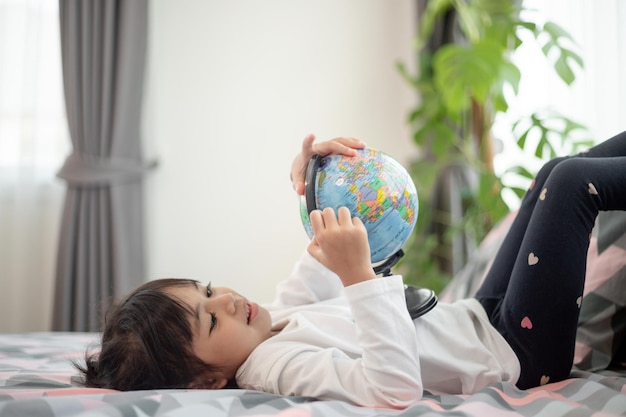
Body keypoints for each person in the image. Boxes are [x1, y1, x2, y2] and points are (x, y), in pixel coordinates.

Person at [78, 131, 626, 409]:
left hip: (482, 320)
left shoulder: (275, 320)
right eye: (210, 321)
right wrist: (361, 281)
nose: (225, 300)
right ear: (207, 380)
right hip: (519, 357)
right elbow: (391, 393)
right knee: (574, 183)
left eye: (208, 289)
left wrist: (317, 175)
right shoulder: (275, 368)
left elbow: (321, 249)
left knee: (551, 171)